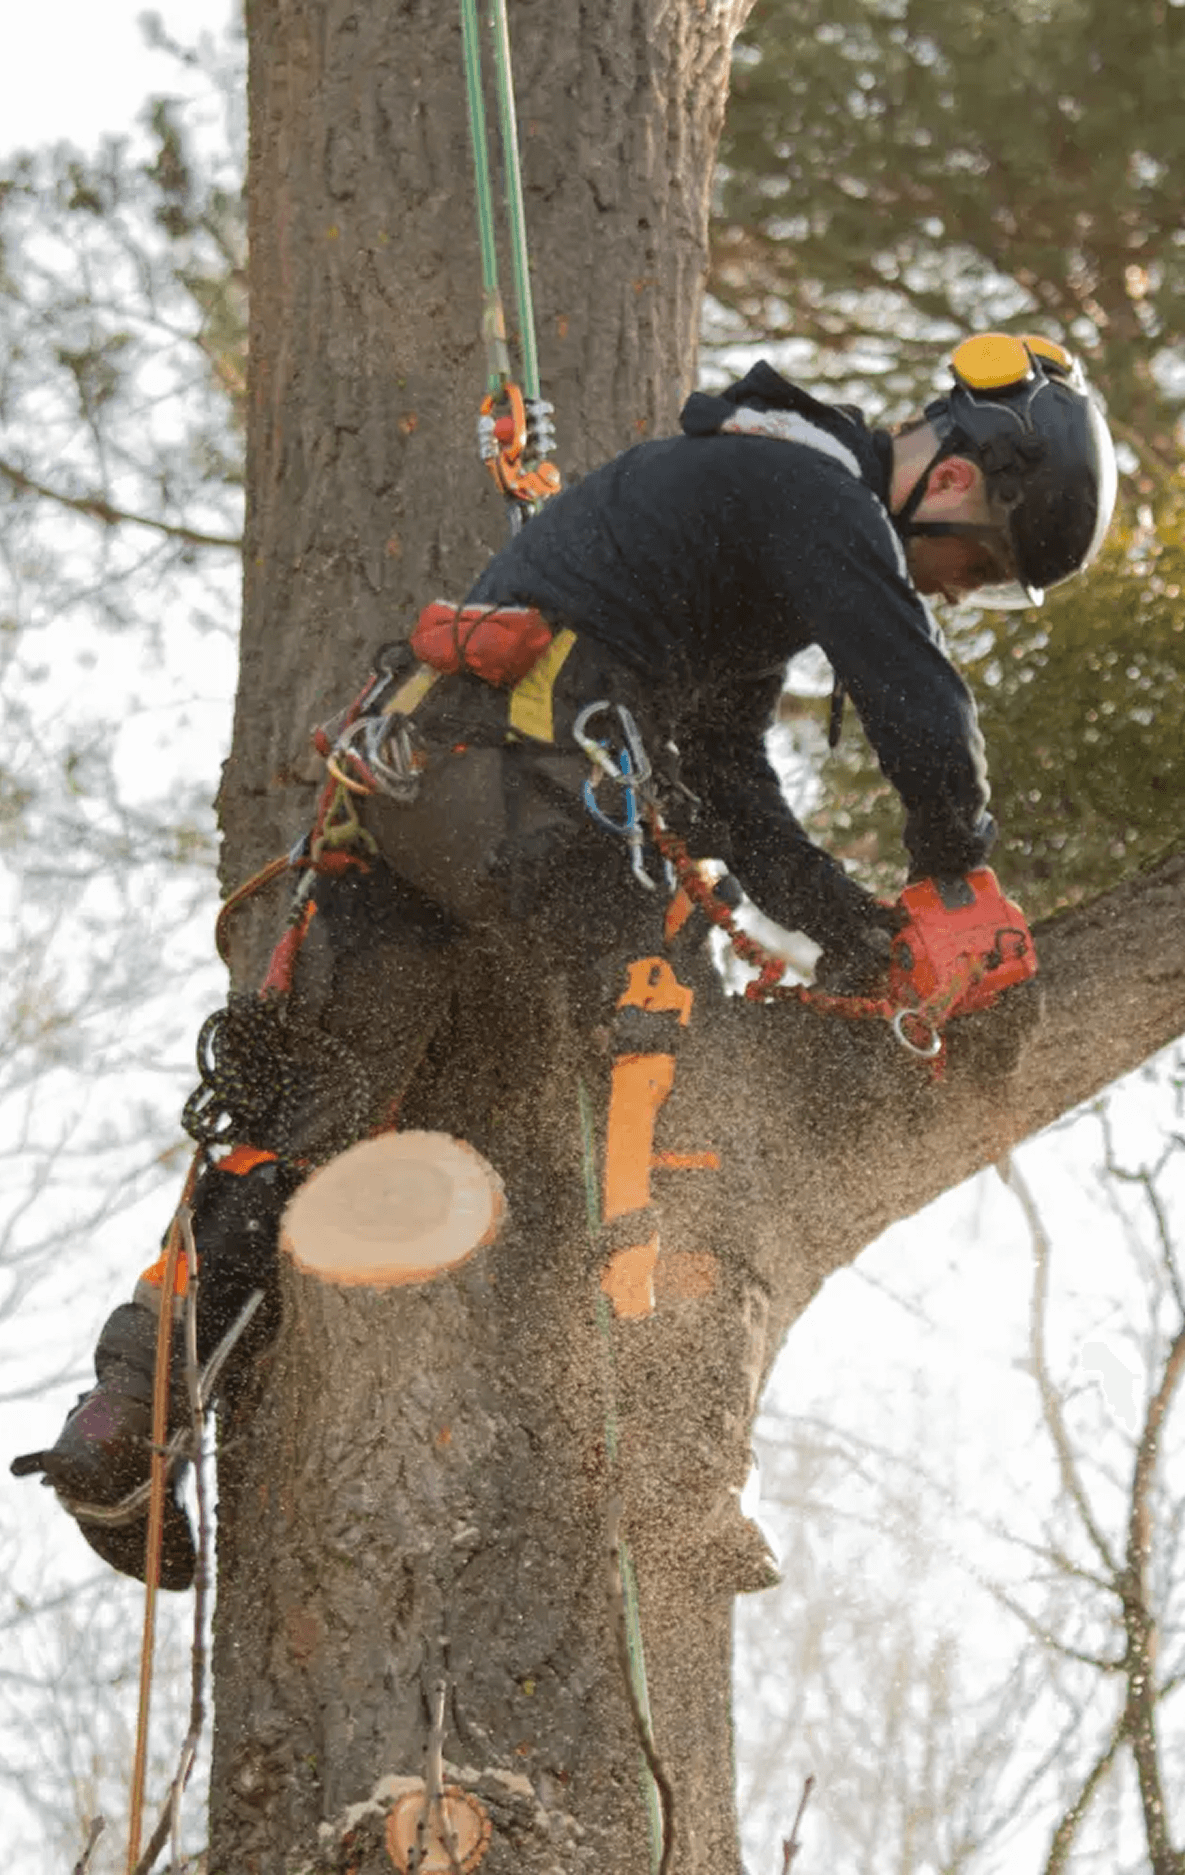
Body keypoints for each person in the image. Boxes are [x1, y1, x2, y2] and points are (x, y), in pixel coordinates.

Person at [12, 332, 1117, 1587]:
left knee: (302, 1118)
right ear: (965, 481)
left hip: (418, 789)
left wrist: (860, 926)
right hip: (536, 791)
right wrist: (956, 879)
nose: (957, 592)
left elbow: (730, 784)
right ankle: (674, 1462)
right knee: (680, 1078)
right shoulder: (814, 491)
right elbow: (915, 690)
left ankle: (123, 1418)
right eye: (975, 570)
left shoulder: (737, 500)